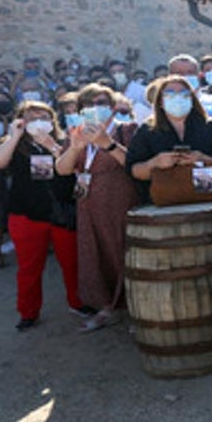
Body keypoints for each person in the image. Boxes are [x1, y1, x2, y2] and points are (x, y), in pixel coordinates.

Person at [57, 83, 141, 332]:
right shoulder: (76, 133)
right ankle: (108, 307)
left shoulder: (127, 130)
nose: (96, 108)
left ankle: (138, 308)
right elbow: (62, 169)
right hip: (88, 203)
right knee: (95, 252)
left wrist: (107, 144)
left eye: (102, 102)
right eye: (90, 104)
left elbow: (134, 165)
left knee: (125, 251)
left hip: (121, 200)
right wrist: (75, 147)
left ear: (113, 107)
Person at [0, 100, 87, 329]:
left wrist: (52, 146)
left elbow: (73, 168)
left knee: (71, 262)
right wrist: (15, 135)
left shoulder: (65, 140)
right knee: (29, 267)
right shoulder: (15, 145)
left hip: (61, 212)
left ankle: (78, 302)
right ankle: (28, 312)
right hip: (25, 215)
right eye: (32, 117)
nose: (38, 122)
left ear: (52, 120)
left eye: (43, 117)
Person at [126, 75, 212, 204]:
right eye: (170, 94)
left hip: (208, 202)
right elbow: (133, 170)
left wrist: (203, 159)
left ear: (192, 99)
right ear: (160, 101)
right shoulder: (147, 130)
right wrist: (155, 163)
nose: (177, 98)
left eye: (184, 94)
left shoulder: (210, 127)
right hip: (163, 205)